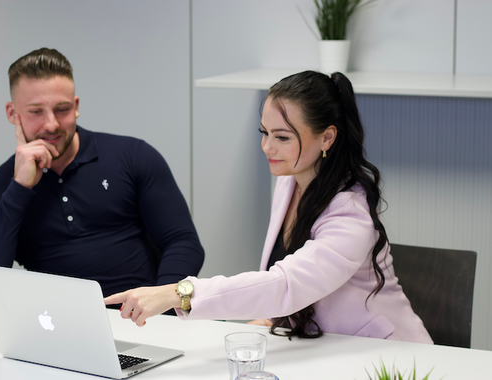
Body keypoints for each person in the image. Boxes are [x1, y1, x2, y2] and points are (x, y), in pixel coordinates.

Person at [105, 71, 433, 344]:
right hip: (321, 346)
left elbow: (287, 284)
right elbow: (284, 293)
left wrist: (181, 293)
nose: (267, 147)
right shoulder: (290, 179)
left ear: (327, 138)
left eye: (283, 137)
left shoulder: (351, 211)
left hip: (387, 356)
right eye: (264, 133)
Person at [0, 48, 204, 298]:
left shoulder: (133, 156)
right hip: (55, 323)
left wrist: (164, 304)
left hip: (142, 318)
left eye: (61, 109)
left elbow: (183, 242)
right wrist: (19, 188)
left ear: (75, 107)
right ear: (12, 113)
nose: (51, 123)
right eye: (36, 112)